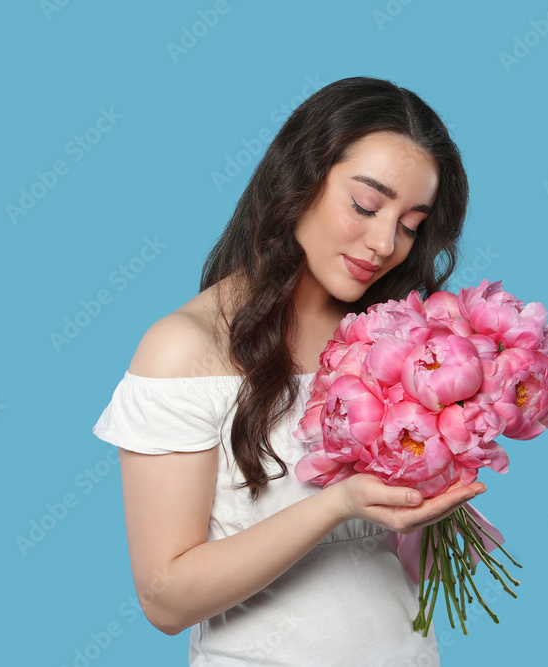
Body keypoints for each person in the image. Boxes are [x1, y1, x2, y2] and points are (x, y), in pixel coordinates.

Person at [91, 76, 487, 665]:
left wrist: (474, 423)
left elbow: (415, 555)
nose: (385, 243)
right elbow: (165, 600)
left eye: (410, 225)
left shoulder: (394, 341)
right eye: (365, 205)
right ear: (298, 179)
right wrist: (337, 503)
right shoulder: (183, 349)